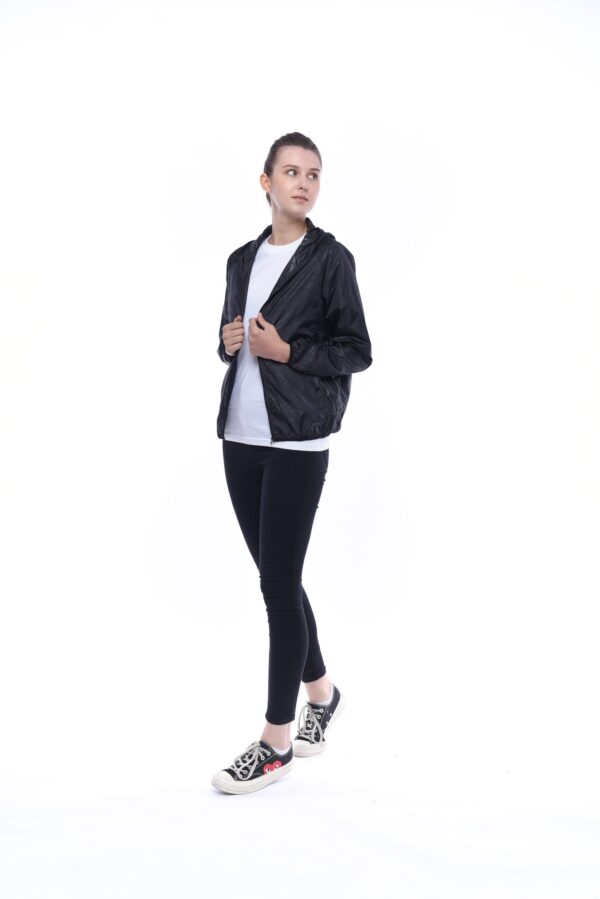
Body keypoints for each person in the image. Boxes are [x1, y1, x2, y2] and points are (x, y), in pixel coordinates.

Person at [211, 132, 373, 795]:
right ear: (266, 182)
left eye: (313, 174)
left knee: (278, 585)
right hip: (240, 434)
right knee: (278, 578)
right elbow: (230, 339)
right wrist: (228, 343)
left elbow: (356, 350)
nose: (303, 183)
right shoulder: (240, 259)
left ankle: (277, 739)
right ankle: (323, 692)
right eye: (291, 172)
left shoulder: (331, 259)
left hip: (299, 439)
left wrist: (288, 352)